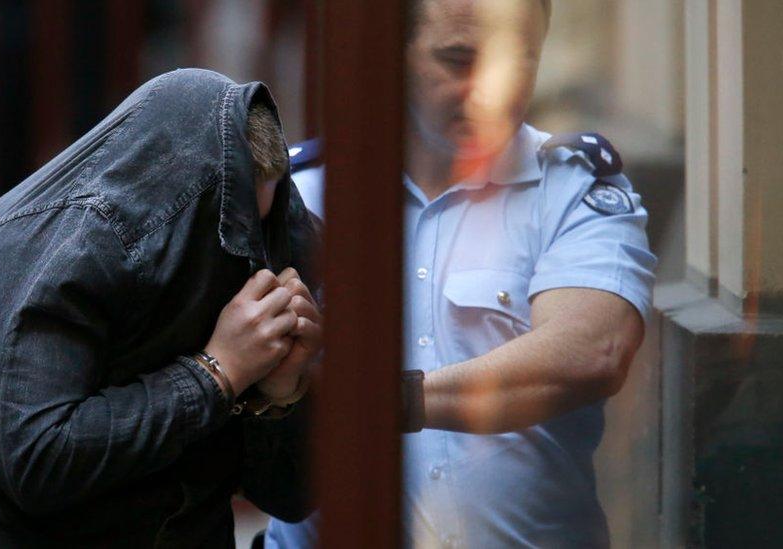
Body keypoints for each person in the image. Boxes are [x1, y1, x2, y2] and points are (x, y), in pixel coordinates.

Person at [0, 69, 322, 547]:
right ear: (181, 209)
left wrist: (280, 391)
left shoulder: (265, 249)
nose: (245, 256)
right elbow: (40, 460)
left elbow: (289, 497)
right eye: (229, 230)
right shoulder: (42, 253)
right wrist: (217, 373)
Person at [267, 0, 655, 546]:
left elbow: (593, 350)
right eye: (458, 60)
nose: (492, 89)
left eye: (519, 59)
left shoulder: (574, 188)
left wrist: (379, 400)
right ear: (393, 57)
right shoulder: (296, 193)